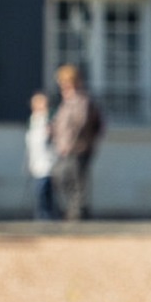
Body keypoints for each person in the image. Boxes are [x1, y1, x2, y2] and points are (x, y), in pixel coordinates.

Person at [50, 64, 103, 222]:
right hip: (64, 148)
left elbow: (81, 123)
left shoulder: (81, 100)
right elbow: (60, 124)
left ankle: (78, 212)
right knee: (60, 177)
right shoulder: (65, 102)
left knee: (76, 180)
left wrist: (69, 144)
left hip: (79, 148)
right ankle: (74, 209)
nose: (62, 86)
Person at [25, 91, 57, 221]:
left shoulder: (50, 120)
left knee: (45, 191)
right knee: (40, 192)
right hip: (36, 162)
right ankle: (42, 216)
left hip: (49, 162)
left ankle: (47, 217)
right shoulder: (32, 121)